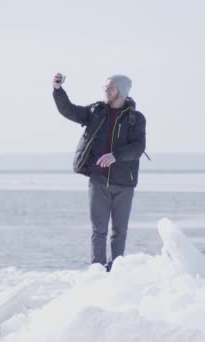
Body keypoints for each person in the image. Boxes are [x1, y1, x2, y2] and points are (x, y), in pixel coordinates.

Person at [52, 73, 147, 271]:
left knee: (120, 231)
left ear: (120, 91)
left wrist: (116, 155)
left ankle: (117, 270)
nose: (105, 91)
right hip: (98, 179)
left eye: (110, 88)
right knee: (99, 231)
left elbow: (138, 147)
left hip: (124, 183)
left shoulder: (135, 118)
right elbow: (69, 111)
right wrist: (58, 90)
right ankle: (97, 271)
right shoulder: (96, 112)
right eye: (105, 87)